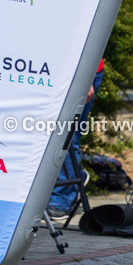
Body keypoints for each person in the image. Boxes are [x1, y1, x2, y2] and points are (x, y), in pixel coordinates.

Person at [45, 60, 104, 218]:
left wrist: (86, 77)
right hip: (49, 70)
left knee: (66, 137)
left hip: (81, 72)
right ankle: (75, 178)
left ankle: (62, 199)